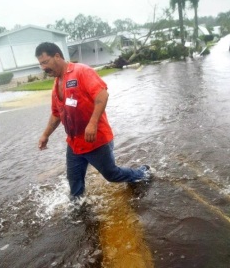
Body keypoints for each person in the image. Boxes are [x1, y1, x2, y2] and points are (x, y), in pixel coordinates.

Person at [35, 42, 151, 199]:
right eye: (41, 64)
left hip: (95, 140)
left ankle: (143, 173)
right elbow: (56, 114)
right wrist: (45, 135)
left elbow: (102, 95)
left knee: (112, 174)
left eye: (45, 62)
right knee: (74, 181)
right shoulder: (57, 84)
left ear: (57, 56)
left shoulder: (81, 71)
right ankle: (77, 209)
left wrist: (92, 123)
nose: (43, 67)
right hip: (74, 143)